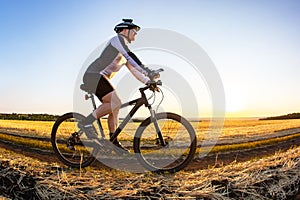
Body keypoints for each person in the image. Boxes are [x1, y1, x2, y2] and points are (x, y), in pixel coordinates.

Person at [78, 19, 154, 153]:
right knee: (116, 102)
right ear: (125, 30)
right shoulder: (117, 39)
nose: (135, 34)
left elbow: (135, 71)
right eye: (134, 31)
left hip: (101, 78)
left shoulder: (123, 55)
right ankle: (86, 122)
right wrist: (147, 70)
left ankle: (113, 141)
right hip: (93, 75)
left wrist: (149, 81)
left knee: (115, 108)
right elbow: (130, 55)